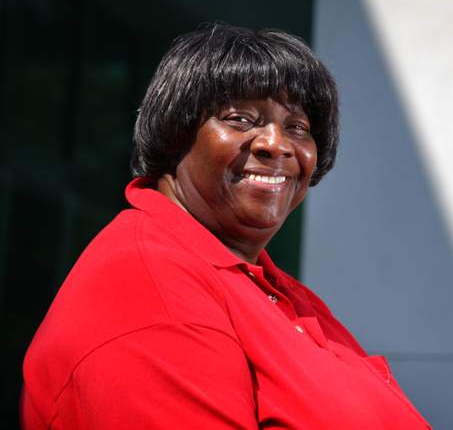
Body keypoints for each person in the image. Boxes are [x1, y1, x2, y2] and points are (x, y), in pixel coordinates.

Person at [21, 24, 430, 429]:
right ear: (176, 131)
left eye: (298, 127)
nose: (276, 144)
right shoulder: (152, 288)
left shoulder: (265, 286)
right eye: (240, 119)